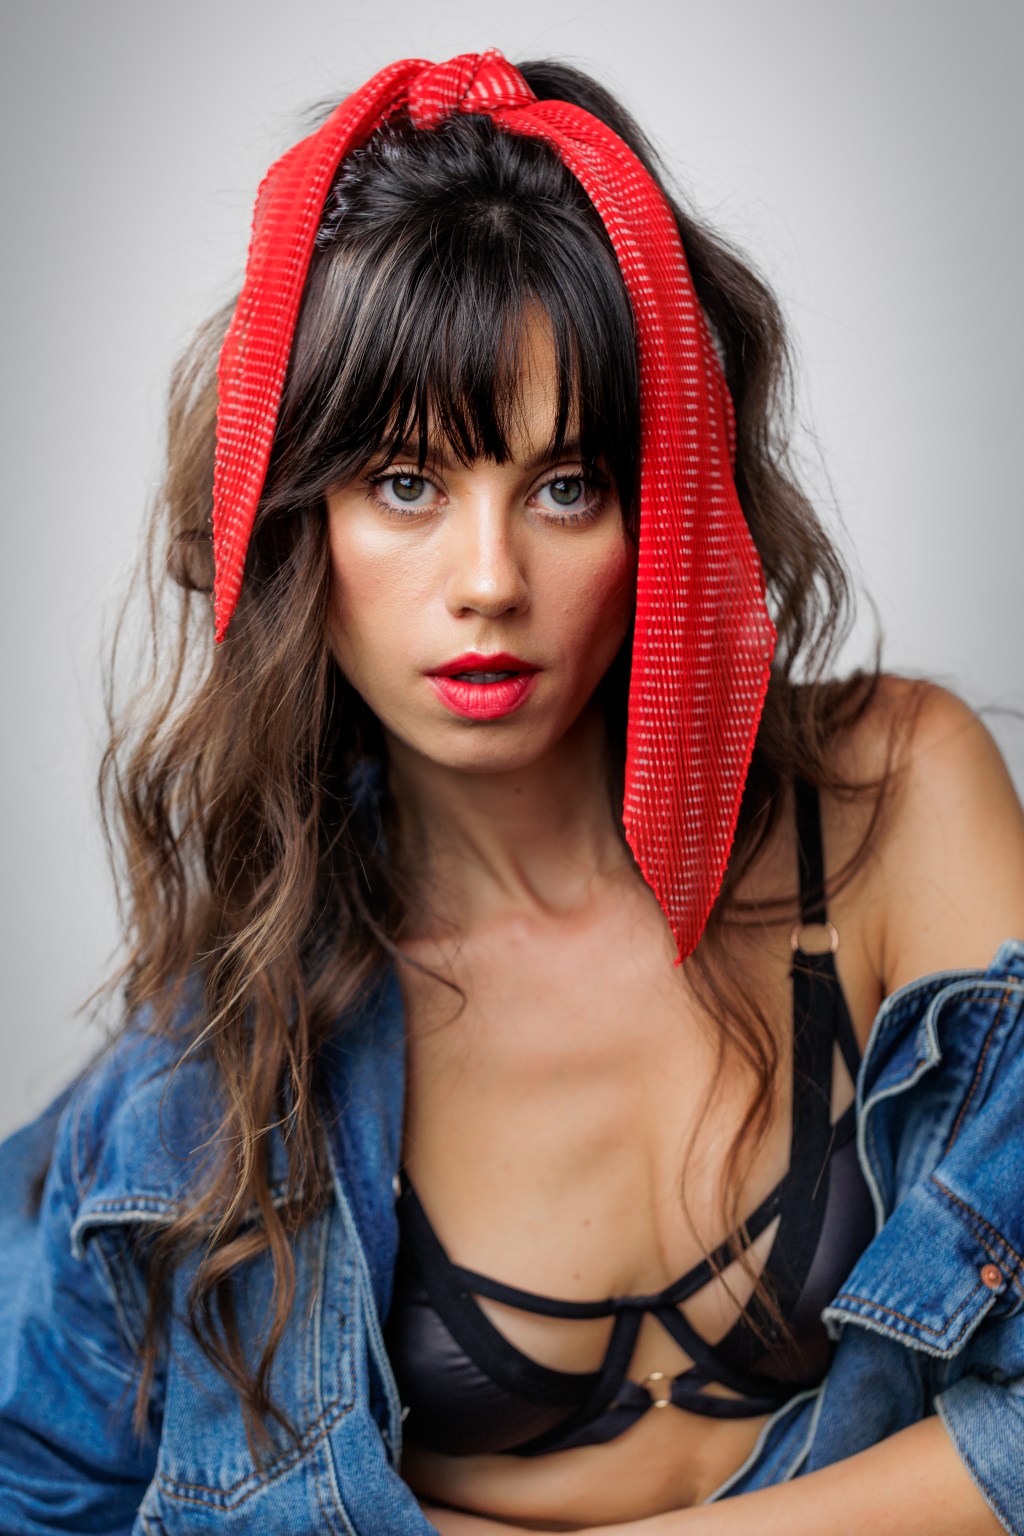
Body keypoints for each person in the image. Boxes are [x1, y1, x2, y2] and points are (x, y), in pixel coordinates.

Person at [0, 46, 1022, 1536]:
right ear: (298, 527)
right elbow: (49, 1487)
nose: (490, 581)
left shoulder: (890, 800)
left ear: (664, 506)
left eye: (565, 486)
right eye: (406, 485)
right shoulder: (232, 1050)